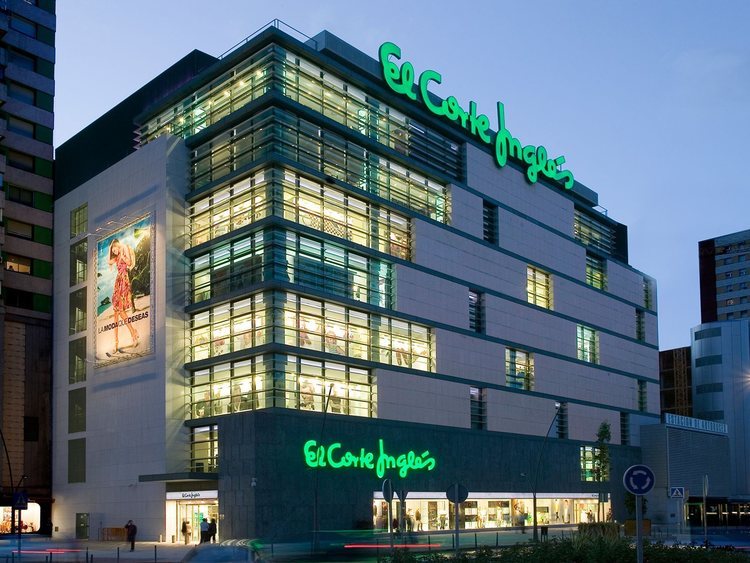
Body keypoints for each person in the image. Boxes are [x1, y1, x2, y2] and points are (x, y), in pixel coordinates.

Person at [107, 239, 139, 357]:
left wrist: (123, 251)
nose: (113, 251)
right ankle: (116, 342)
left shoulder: (123, 253)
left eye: (114, 249)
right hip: (118, 282)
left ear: (117, 246)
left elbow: (129, 263)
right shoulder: (116, 258)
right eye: (112, 250)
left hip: (124, 281)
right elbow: (109, 261)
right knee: (116, 313)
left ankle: (133, 333)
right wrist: (111, 249)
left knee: (120, 311)